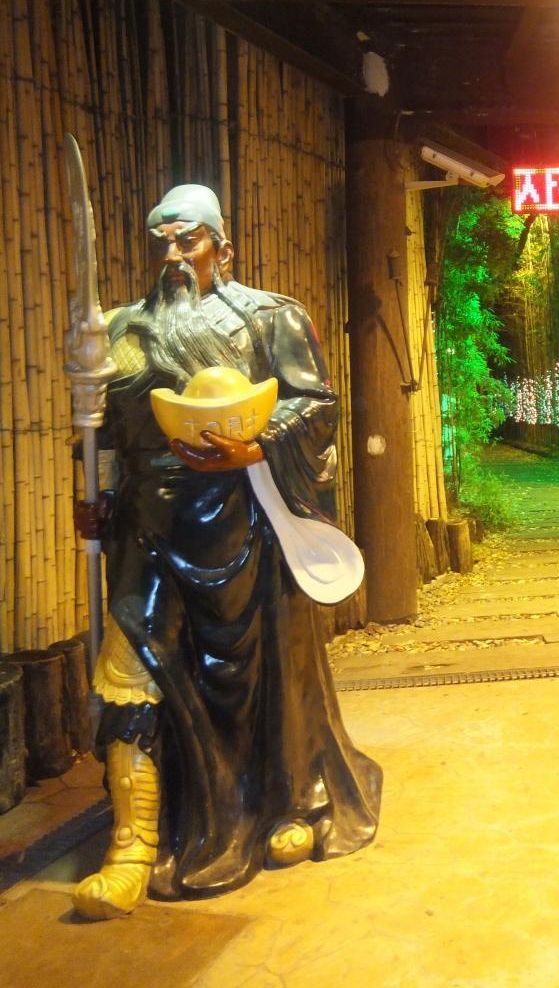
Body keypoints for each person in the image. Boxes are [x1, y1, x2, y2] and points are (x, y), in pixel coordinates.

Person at [73, 184, 381, 921]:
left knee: (269, 677)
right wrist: (98, 493)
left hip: (247, 521)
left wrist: (258, 444)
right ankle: (131, 847)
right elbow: (103, 432)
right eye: (162, 243)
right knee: (133, 670)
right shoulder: (121, 329)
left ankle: (288, 800)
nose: (174, 256)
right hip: (150, 528)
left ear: (222, 246)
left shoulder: (270, 317)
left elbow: (316, 403)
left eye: (189, 240)